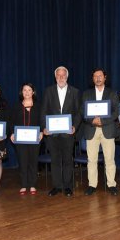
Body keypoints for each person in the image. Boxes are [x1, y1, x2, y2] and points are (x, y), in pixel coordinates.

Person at [41, 66, 81, 197]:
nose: (61, 77)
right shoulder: (48, 91)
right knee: (55, 160)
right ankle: (57, 186)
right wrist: (44, 128)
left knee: (68, 160)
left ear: (67, 77)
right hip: (52, 134)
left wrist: (74, 126)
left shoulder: (74, 91)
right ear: (55, 77)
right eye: (58, 75)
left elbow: (78, 113)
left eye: (63, 75)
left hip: (68, 134)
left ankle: (68, 187)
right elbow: (43, 112)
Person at [81, 69, 119, 196]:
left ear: (105, 77)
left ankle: (111, 184)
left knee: (110, 159)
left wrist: (102, 121)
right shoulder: (86, 93)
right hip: (91, 129)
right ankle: (92, 185)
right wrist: (92, 121)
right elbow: (82, 112)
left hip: (107, 128)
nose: (98, 78)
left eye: (100, 76)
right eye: (95, 76)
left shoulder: (112, 93)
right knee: (91, 160)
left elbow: (116, 111)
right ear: (92, 79)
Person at [10, 83, 43, 195]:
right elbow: (11, 122)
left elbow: (42, 121)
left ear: (33, 92)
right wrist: (11, 134)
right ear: (22, 92)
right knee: (23, 161)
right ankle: (24, 185)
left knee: (33, 162)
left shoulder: (39, 106)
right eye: (25, 90)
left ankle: (33, 184)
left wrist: (42, 132)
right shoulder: (16, 106)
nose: (27, 92)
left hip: (35, 139)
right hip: (20, 140)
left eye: (29, 90)